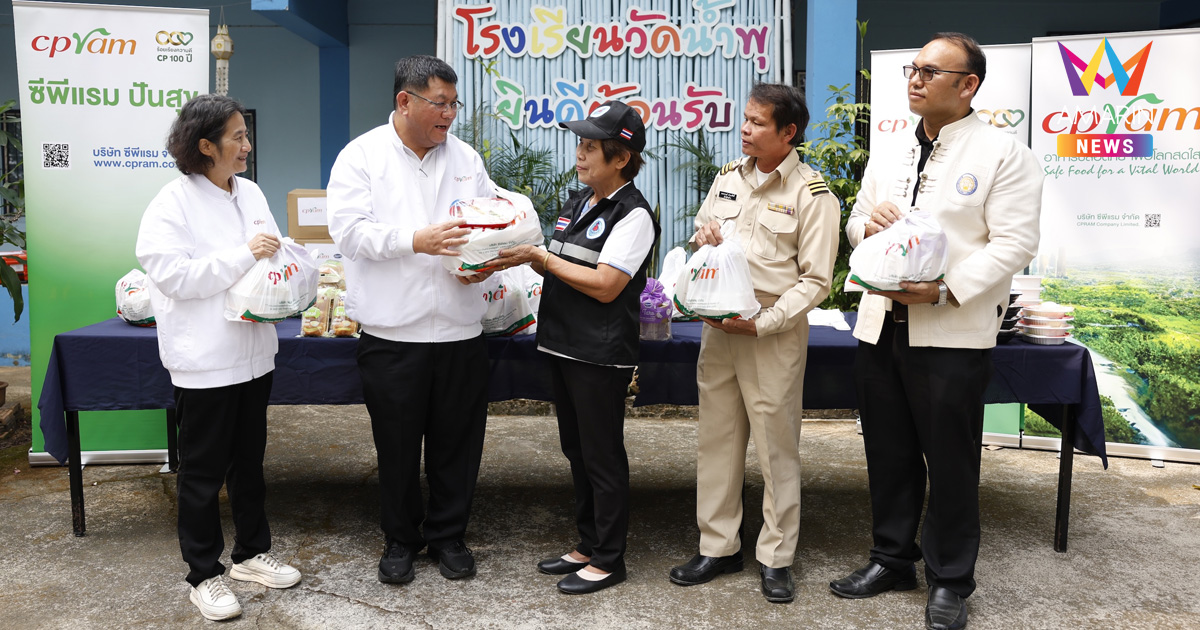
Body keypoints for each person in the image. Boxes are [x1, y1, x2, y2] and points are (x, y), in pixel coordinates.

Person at [829, 33, 1042, 630]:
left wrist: (945, 289)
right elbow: (854, 225)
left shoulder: (1004, 153)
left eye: (930, 71)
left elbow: (1016, 243)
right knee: (888, 452)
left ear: (967, 84)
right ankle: (891, 558)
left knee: (950, 460)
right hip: (881, 323)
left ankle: (950, 580)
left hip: (951, 330)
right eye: (912, 69)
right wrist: (865, 224)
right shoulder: (891, 151)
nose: (915, 80)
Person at [327, 55, 495, 585]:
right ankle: (400, 539)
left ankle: (449, 537)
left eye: (453, 104)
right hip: (392, 335)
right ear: (405, 101)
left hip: (460, 330)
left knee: (457, 444)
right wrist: (414, 240)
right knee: (396, 446)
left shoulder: (466, 158)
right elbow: (349, 233)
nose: (449, 115)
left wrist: (484, 261)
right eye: (439, 104)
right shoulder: (361, 157)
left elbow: (489, 221)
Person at [668, 84, 840, 603]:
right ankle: (718, 546)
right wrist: (704, 238)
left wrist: (765, 322)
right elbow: (704, 227)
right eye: (744, 120)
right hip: (720, 325)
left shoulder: (813, 195)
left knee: (775, 447)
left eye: (757, 123)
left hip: (771, 331)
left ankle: (776, 556)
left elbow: (815, 281)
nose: (744, 129)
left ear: (788, 133)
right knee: (717, 440)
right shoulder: (727, 178)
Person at [136, 94, 301, 621]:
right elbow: (174, 276)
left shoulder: (248, 192)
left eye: (245, 135)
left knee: (249, 464)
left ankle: (251, 554)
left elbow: (267, 250)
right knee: (203, 474)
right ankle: (203, 574)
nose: (246, 145)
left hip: (253, 353)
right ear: (205, 146)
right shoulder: (171, 203)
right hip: (204, 360)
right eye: (237, 137)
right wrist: (243, 255)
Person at [489, 102, 660, 595]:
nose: (580, 156)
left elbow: (607, 285)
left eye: (590, 147)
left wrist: (540, 258)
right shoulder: (579, 203)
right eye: (580, 145)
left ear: (621, 157)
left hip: (599, 355)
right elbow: (558, 264)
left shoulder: (633, 215)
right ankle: (587, 543)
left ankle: (610, 558)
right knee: (576, 450)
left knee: (602, 455)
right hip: (562, 345)